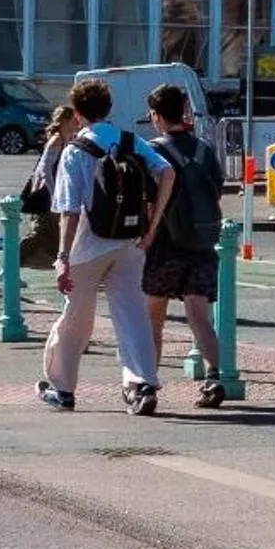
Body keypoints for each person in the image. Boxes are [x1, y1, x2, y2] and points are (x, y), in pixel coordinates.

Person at [40, 77, 174, 415]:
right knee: (132, 314)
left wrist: (62, 257)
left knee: (77, 317)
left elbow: (69, 210)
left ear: (79, 114)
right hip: (129, 241)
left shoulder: (76, 150)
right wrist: (152, 227)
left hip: (88, 244)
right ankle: (141, 383)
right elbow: (167, 173)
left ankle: (63, 388)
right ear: (108, 109)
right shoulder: (130, 140)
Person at [140, 84, 230, 407]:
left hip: (164, 243)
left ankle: (147, 385)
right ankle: (214, 376)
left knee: (153, 318)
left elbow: (147, 197)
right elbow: (217, 188)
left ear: (156, 116)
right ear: (183, 113)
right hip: (202, 241)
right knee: (200, 317)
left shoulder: (152, 150)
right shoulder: (205, 149)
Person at [20, 104, 78, 271]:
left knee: (52, 232)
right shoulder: (57, 139)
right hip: (46, 193)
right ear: (65, 121)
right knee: (40, 232)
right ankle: (9, 263)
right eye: (73, 119)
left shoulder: (68, 138)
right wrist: (55, 195)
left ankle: (62, 266)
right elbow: (44, 169)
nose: (77, 122)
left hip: (55, 193)